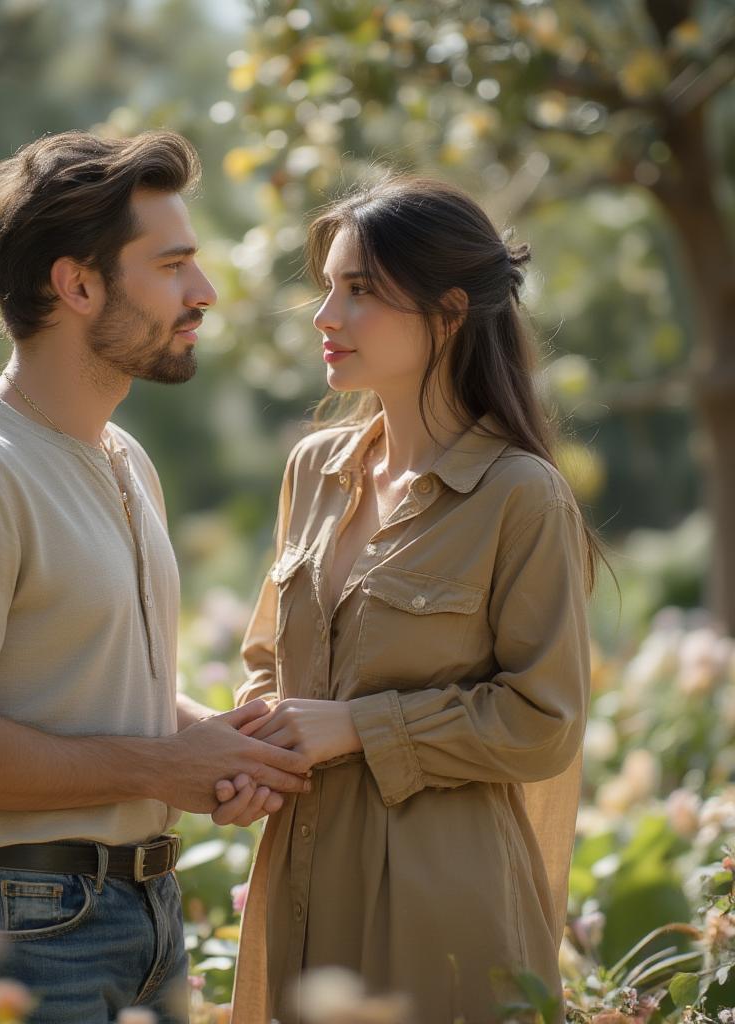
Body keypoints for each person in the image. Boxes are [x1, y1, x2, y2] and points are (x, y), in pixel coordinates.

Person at [0, 129, 312, 1024]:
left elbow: (81, 685)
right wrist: (162, 765)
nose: (204, 292)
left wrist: (213, 747)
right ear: (77, 285)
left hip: (142, 913)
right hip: (14, 926)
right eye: (174, 264)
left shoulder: (124, 457)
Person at [219, 177, 601, 1024]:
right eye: (327, 288)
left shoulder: (520, 496)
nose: (325, 315)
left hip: (441, 911)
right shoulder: (312, 471)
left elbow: (546, 722)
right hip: (300, 888)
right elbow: (265, 662)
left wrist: (357, 727)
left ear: (449, 312)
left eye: (358, 291)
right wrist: (257, 747)